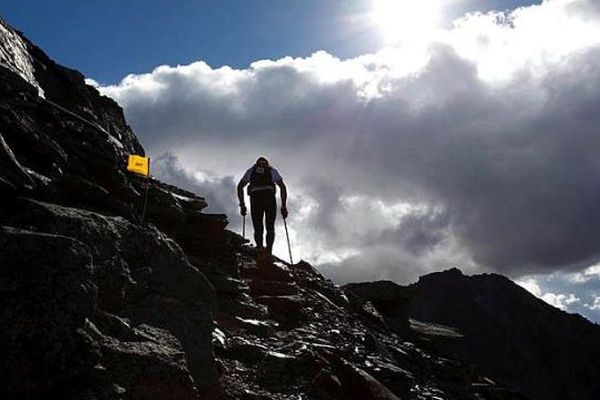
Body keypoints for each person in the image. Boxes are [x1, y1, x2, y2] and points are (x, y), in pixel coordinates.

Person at [237, 156, 288, 254]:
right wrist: (283, 206)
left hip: (255, 199)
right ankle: (269, 251)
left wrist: (242, 205)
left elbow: (240, 187)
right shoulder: (272, 171)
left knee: (258, 226)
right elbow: (282, 187)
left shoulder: (251, 171)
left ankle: (260, 249)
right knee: (270, 226)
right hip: (269, 198)